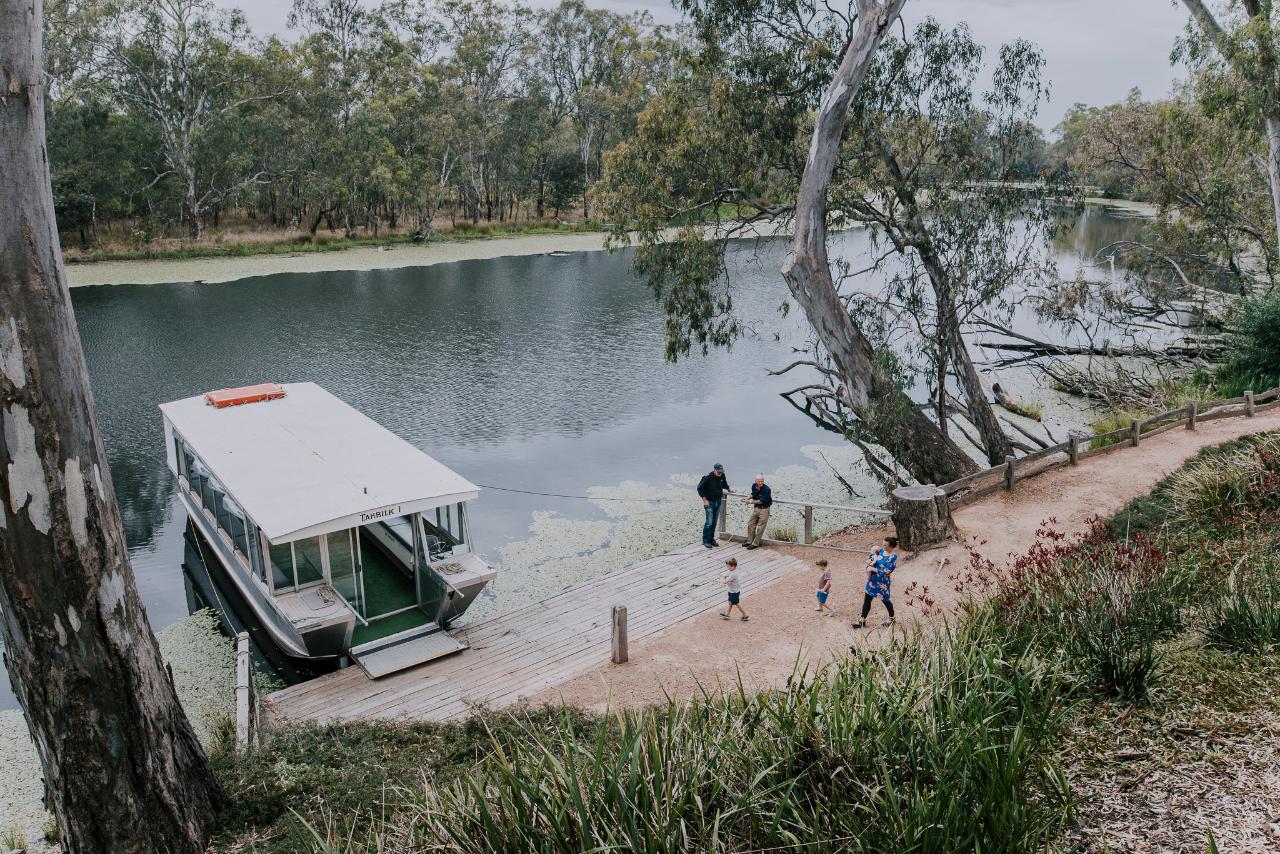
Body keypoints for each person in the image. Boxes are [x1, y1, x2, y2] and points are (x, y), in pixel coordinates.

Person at [853, 536, 898, 628]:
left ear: (891, 547)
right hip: (872, 580)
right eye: (883, 544)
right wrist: (870, 562)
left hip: (883, 583)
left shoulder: (893, 557)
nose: (882, 546)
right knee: (867, 600)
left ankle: (892, 619)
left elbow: (887, 571)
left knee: (886, 600)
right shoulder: (881, 551)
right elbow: (872, 557)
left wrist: (873, 568)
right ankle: (862, 621)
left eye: (885, 545)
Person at [697, 463, 730, 549]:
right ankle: (705, 540)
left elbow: (725, 484)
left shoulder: (722, 475)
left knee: (715, 522)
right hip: (709, 503)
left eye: (721, 471)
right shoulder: (707, 477)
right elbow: (699, 488)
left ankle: (711, 539)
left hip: (718, 501)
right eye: (718, 472)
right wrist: (704, 500)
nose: (720, 473)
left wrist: (729, 489)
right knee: (709, 522)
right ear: (714, 470)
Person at [741, 473, 773, 550]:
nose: (760, 483)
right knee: (751, 524)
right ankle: (749, 541)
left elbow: (761, 501)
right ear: (755, 481)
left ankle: (755, 543)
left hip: (764, 509)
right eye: (759, 481)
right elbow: (753, 494)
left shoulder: (767, 489)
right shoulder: (753, 486)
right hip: (756, 509)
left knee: (760, 527)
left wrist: (750, 502)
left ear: (763, 481)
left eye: (762, 481)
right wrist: (747, 498)